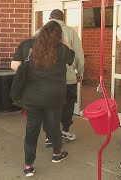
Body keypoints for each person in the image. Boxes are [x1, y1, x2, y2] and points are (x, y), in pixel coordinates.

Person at [10, 21, 75, 177]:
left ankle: (28, 166)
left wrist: (33, 71)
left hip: (33, 97)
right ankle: (56, 154)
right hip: (54, 97)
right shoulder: (62, 49)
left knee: (31, 130)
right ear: (59, 35)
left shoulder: (27, 45)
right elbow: (72, 56)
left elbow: (14, 66)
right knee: (53, 126)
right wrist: (62, 41)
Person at [44, 9, 85, 143]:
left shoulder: (41, 31)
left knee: (50, 105)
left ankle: (49, 135)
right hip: (68, 78)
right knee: (67, 105)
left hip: (48, 78)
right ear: (63, 19)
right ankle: (65, 130)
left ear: (50, 18)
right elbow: (78, 54)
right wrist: (80, 71)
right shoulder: (71, 32)